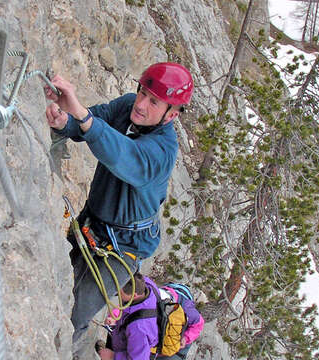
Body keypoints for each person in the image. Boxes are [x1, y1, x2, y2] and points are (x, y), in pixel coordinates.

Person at [43, 62, 194, 354]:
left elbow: (122, 155)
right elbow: (94, 121)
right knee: (55, 282)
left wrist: (81, 116)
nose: (140, 103)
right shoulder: (127, 107)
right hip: (92, 223)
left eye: (153, 101)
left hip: (122, 249)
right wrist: (66, 121)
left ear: (171, 114)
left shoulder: (162, 151)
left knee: (75, 316)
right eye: (142, 92)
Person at [96, 273, 159, 360]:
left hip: (131, 350)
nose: (117, 293)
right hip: (125, 334)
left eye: (120, 293)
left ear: (134, 295)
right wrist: (117, 320)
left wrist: (113, 356)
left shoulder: (138, 328)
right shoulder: (147, 285)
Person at [156, 284, 204, 359]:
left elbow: (198, 324)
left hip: (183, 331)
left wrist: (185, 338)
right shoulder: (153, 298)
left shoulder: (186, 310)